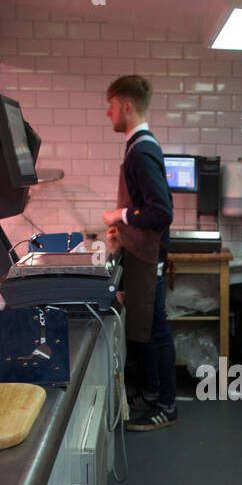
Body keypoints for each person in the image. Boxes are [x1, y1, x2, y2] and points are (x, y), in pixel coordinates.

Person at [101, 75, 177, 432]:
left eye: (112, 106)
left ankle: (166, 406)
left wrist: (119, 215)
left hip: (148, 258)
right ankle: (150, 394)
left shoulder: (142, 149)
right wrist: (125, 225)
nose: (108, 113)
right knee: (145, 329)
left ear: (127, 106)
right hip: (139, 254)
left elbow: (160, 211)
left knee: (156, 329)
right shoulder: (136, 147)